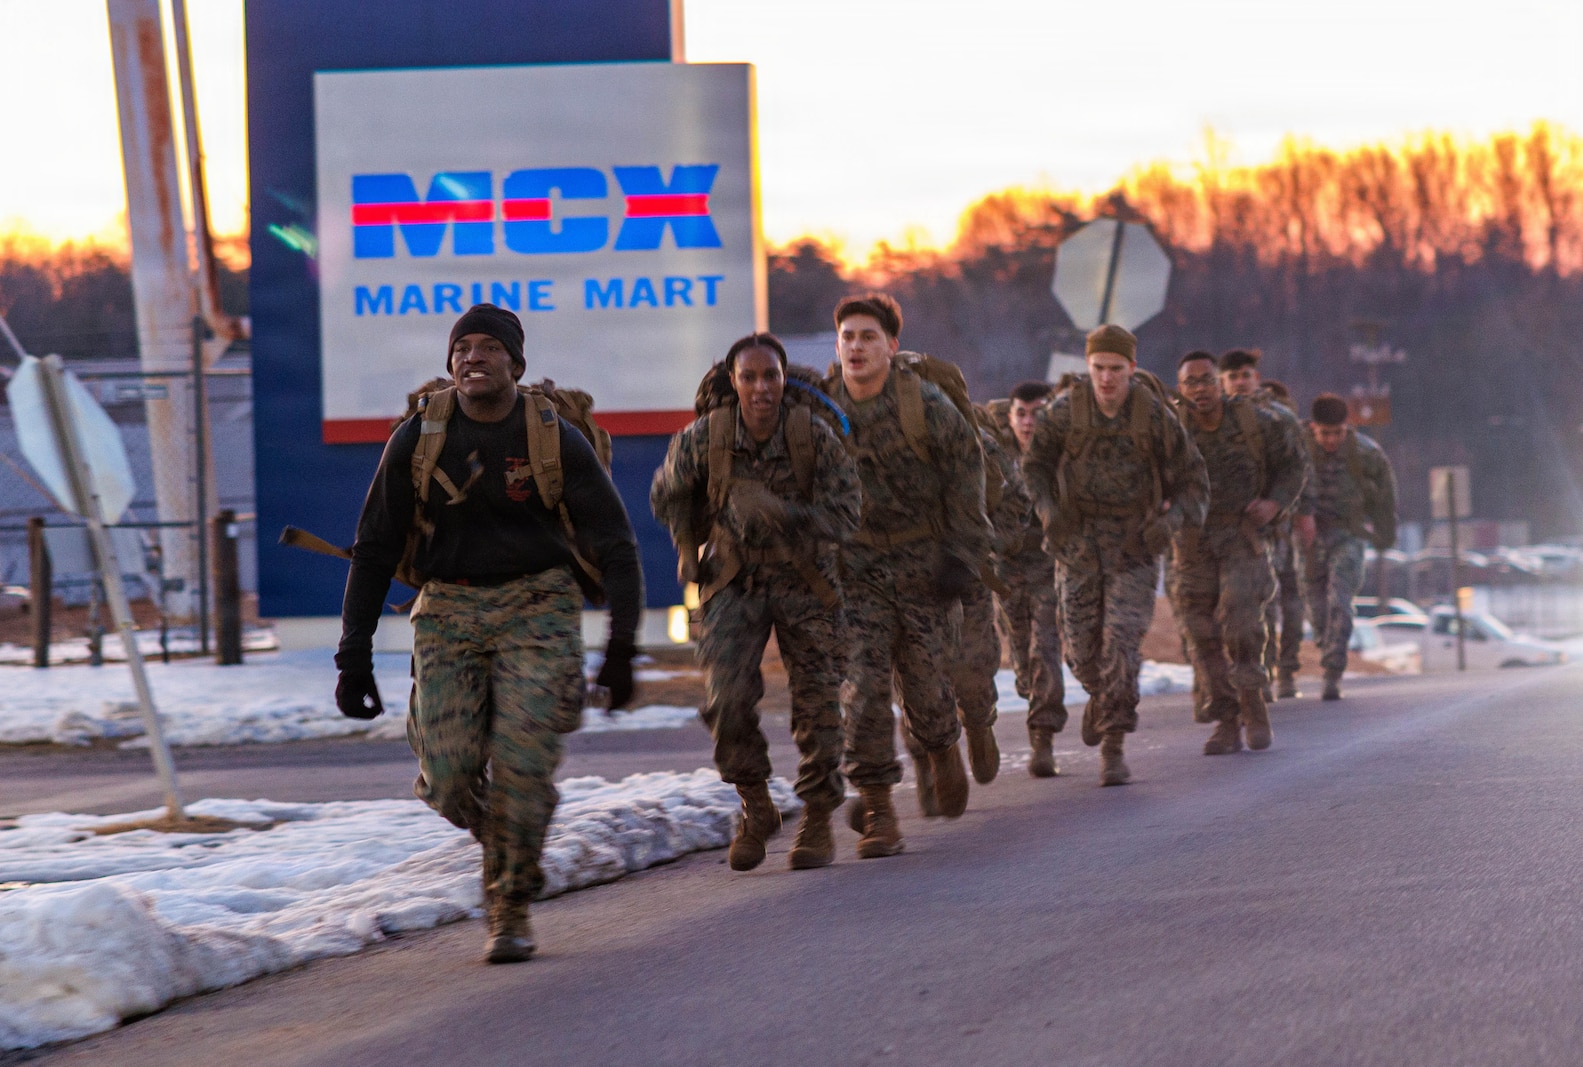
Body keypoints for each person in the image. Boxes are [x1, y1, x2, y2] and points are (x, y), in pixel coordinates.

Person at [334, 304, 642, 964]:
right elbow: (374, 546)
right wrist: (352, 656)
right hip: (447, 610)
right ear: (450, 364)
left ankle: (510, 902)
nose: (472, 356)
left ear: (516, 363)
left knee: (523, 767)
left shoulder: (554, 437)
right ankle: (507, 840)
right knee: (446, 776)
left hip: (539, 608)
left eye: (488, 347)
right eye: (462, 348)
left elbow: (616, 545)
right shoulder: (419, 437)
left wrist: (620, 650)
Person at [650, 333, 861, 871]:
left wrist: (785, 514)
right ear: (734, 381)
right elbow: (668, 492)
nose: (761, 387)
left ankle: (817, 817)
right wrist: (685, 548)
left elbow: (847, 514)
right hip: (734, 576)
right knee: (726, 699)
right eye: (750, 377)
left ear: (784, 380)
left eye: (771, 376)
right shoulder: (708, 435)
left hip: (805, 577)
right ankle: (755, 802)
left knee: (818, 702)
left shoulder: (811, 434)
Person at [826, 293, 990, 857]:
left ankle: (942, 747)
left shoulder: (925, 404)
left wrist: (961, 554)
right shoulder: (820, 411)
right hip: (855, 570)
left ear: (892, 347)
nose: (856, 347)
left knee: (925, 685)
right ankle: (878, 809)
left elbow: (967, 473)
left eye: (868, 337)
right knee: (862, 689)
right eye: (847, 337)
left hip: (923, 564)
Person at [1022, 324, 1208, 786]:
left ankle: (1113, 746)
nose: (1106, 378)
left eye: (1116, 369)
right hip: (1077, 546)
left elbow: (1193, 481)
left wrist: (1169, 523)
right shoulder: (1065, 412)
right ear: (1088, 367)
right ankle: (1102, 697)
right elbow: (1034, 467)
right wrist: (1048, 510)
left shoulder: (1154, 416)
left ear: (1132, 368)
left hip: (1134, 548)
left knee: (1121, 645)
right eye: (1099, 368)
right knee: (1081, 652)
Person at [1171, 352, 1307, 754]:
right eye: (1191, 382)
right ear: (1180, 388)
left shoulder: (1255, 422)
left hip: (1241, 535)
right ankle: (1226, 720)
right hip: (1192, 542)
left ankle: (1252, 700)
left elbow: (1294, 465)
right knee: (1201, 632)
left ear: (1220, 384)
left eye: (1206, 380)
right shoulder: (1169, 431)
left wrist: (1275, 503)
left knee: (1242, 622)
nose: (1199, 389)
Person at [1218, 350, 1311, 699]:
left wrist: (1297, 512)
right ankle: (1263, 671)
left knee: (1283, 598)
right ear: (1222, 381)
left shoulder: (1278, 417)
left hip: (1277, 524)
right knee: (1255, 601)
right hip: (1235, 526)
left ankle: (1284, 669)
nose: (1240, 382)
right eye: (1232, 377)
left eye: (1245, 375)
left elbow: (1299, 469)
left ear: (1256, 378)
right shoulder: (1213, 416)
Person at [1300, 393, 1399, 701]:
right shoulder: (1297, 449)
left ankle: (1333, 669)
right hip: (1308, 536)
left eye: (1337, 433)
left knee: (1340, 601)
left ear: (1347, 427)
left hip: (1348, 534)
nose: (1331, 440)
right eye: (1324, 433)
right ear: (1313, 427)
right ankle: (1326, 645)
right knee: (1316, 606)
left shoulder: (1366, 453)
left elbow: (1386, 495)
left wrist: (1385, 534)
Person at [997, 380, 1068, 777]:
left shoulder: (1062, 454)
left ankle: (1043, 738)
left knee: (1045, 645)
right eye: (1021, 414)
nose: (1028, 422)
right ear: (1010, 418)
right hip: (1006, 569)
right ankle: (1033, 697)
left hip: (1049, 566)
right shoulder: (995, 455)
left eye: (1037, 413)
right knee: (1021, 656)